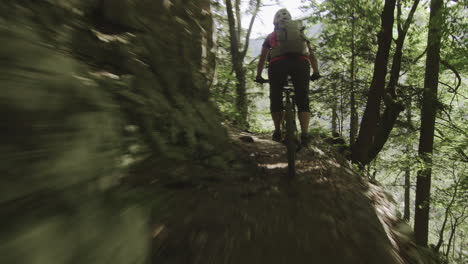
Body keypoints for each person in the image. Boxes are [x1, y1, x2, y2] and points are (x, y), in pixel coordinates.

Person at [255, 8, 321, 147]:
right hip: (301, 64)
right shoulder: (301, 35)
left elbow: (262, 58)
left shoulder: (272, 36)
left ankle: (278, 131)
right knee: (303, 99)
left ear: (275, 21)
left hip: (278, 65)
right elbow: (311, 55)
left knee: (276, 97)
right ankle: (304, 134)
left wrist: (259, 75)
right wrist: (315, 71)